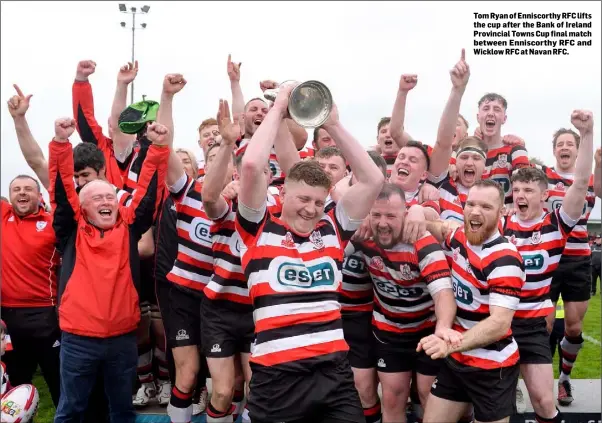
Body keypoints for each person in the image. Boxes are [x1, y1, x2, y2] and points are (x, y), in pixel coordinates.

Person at [235, 83, 384, 422]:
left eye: (319, 202)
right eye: (303, 199)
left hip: (334, 373)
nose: (311, 209)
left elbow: (373, 179)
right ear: (283, 193)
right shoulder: (258, 228)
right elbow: (250, 167)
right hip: (277, 377)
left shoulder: (332, 229)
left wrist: (332, 123)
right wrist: (278, 109)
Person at [49, 117, 169, 423]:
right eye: (96, 198)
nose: (105, 201)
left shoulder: (128, 227)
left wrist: (156, 148)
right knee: (71, 410)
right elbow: (62, 194)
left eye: (109, 198)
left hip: (122, 339)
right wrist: (61, 145)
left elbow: (147, 195)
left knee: (122, 411)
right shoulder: (70, 231)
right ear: (83, 207)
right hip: (78, 339)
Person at [505, 111, 593, 422]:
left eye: (528, 191)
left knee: (543, 402)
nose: (521, 196)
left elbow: (582, 183)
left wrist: (589, 133)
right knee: (486, 407)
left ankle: (563, 378)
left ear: (546, 196)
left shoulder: (555, 225)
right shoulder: (499, 222)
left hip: (529, 323)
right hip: (496, 321)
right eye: (517, 191)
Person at [346, 183, 457, 423]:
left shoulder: (422, 243)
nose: (382, 223)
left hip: (427, 333)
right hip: (388, 333)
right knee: (393, 398)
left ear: (405, 215)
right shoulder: (365, 236)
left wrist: (443, 329)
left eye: (390, 216)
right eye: (376, 215)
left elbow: (443, 294)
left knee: (429, 397)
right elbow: (331, 253)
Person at [419, 179, 526, 423]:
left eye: (486, 207)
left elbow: (499, 323)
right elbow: (443, 228)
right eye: (471, 204)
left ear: (501, 213)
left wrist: (450, 345)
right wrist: (416, 218)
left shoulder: (505, 258)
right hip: (457, 360)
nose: (475, 212)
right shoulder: (461, 237)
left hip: (492, 368)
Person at [3, 86, 62, 407]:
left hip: (46, 317)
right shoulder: (2, 217)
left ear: (39, 194)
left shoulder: (53, 221)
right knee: (12, 393)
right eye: (16, 189)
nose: (22, 193)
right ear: (9, 196)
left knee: (58, 387)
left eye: (28, 189)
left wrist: (20, 121)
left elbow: (38, 160)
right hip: (7, 320)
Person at [535, 122, 597, 406]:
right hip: (549, 258)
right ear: (553, 150)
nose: (564, 148)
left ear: (577, 149)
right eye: (559, 144)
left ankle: (564, 379)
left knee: (572, 328)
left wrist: (597, 160)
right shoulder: (543, 177)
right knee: (543, 327)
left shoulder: (589, 179)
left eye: (569, 144)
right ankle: (543, 383)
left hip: (577, 260)